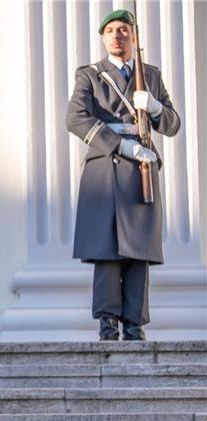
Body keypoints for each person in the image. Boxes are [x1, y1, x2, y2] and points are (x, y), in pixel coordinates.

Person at [66, 9, 181, 341]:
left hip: (142, 168)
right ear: (103, 38)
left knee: (139, 250)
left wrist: (157, 109)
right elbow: (75, 118)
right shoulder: (90, 75)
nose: (117, 36)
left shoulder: (152, 76)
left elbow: (173, 124)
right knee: (107, 249)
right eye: (111, 31)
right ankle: (107, 324)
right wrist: (121, 146)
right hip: (106, 166)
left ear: (134, 37)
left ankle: (134, 325)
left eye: (124, 30)